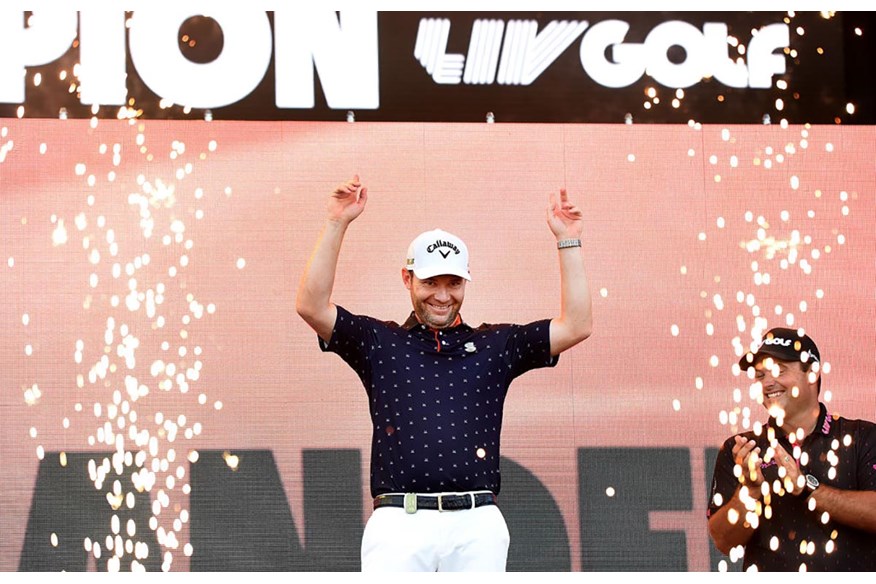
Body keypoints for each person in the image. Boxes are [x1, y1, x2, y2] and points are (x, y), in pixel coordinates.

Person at [296, 175, 592, 571]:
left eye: (453, 282)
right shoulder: (379, 342)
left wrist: (567, 240)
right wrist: (336, 222)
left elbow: (577, 325)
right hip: (399, 522)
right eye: (430, 281)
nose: (442, 294)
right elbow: (311, 306)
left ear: (466, 282)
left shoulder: (495, 345)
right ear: (407, 279)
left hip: (477, 523)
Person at [707, 327, 876, 571]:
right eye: (760, 375)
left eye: (778, 370)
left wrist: (808, 488)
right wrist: (750, 492)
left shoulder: (862, 437)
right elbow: (723, 541)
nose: (767, 383)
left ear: (812, 373)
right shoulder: (741, 449)